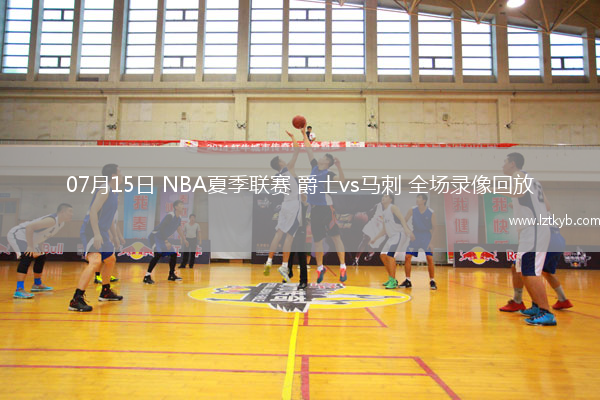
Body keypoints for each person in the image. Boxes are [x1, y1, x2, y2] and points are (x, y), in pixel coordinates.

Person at [500, 152, 555, 326]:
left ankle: (546, 312)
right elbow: (546, 206)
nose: (503, 165)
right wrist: (517, 205)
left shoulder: (518, 175)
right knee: (523, 269)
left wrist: (492, 189)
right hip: (532, 228)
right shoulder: (533, 180)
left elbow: (518, 191)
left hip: (534, 228)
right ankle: (537, 306)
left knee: (530, 270)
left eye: (505, 162)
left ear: (512, 164)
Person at [69, 164, 124, 312]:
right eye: (120, 172)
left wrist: (114, 236)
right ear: (113, 175)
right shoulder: (105, 189)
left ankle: (105, 291)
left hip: (102, 232)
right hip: (91, 231)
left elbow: (109, 218)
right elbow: (93, 211)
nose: (122, 175)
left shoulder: (114, 194)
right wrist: (97, 234)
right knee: (95, 261)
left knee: (110, 259)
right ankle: (76, 299)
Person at [302, 126, 347, 283]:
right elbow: (308, 149)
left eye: (323, 157)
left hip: (326, 208)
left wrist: (339, 166)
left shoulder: (329, 173)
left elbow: (342, 181)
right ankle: (320, 268)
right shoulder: (314, 167)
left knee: (335, 237)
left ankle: (343, 266)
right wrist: (303, 134)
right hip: (314, 210)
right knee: (317, 241)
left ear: (327, 162)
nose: (320, 158)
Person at [500, 226, 573, 312]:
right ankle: (563, 299)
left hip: (545, 239)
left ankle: (519, 302)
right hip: (558, 240)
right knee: (546, 271)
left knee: (520, 267)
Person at [9, 203, 73, 299]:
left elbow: (43, 235)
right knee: (27, 256)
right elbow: (29, 227)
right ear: (62, 212)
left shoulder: (61, 223)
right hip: (18, 235)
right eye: (70, 212)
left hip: (30, 238)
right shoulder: (51, 220)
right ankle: (19, 289)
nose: (72, 214)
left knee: (41, 256)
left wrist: (41, 248)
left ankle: (37, 284)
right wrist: (30, 247)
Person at [264, 131, 301, 279]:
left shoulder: (277, 176)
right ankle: (284, 266)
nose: (284, 160)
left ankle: (269, 261)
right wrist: (293, 137)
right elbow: (297, 150)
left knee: (278, 233)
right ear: (280, 163)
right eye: (282, 159)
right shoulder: (288, 169)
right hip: (293, 206)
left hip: (285, 204)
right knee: (290, 236)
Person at [369, 194, 413, 289]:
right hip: (392, 237)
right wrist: (375, 238)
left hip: (399, 234)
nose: (383, 198)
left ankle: (393, 281)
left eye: (386, 196)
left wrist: (406, 229)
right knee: (383, 255)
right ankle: (391, 278)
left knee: (390, 256)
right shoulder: (384, 212)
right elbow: (384, 230)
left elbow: (402, 219)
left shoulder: (393, 207)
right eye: (383, 196)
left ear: (391, 199)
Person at [400, 194, 438, 290]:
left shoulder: (431, 212)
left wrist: (432, 242)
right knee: (407, 257)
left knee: (429, 258)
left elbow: (435, 228)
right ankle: (408, 280)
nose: (417, 199)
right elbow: (403, 221)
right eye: (417, 198)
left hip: (426, 236)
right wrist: (409, 232)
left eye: (419, 198)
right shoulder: (412, 209)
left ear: (424, 200)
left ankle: (432, 280)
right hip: (415, 236)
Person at [143, 200, 187, 284]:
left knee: (173, 254)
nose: (183, 206)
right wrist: (166, 241)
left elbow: (178, 228)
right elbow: (162, 228)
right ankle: (146, 276)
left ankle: (171, 275)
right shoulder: (170, 215)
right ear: (176, 207)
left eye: (183, 204)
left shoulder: (179, 218)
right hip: (155, 237)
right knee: (158, 254)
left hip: (162, 238)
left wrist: (183, 238)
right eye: (181, 204)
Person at [352, 200, 385, 266]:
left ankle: (371, 252)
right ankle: (356, 259)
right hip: (372, 224)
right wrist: (363, 214)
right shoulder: (378, 205)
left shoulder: (392, 210)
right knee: (365, 240)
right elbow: (370, 213)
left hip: (381, 229)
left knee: (372, 244)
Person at [94, 211, 123, 284]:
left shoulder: (115, 211)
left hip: (110, 236)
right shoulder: (106, 209)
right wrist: (110, 235)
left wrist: (119, 236)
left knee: (109, 259)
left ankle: (107, 275)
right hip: (104, 236)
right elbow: (106, 224)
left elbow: (116, 225)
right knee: (101, 257)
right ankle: (97, 276)